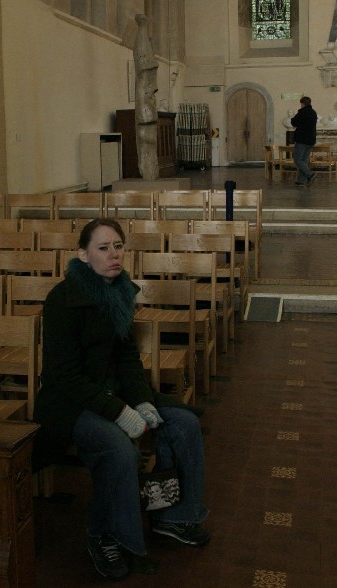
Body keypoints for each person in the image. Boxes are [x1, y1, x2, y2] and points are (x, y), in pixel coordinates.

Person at [33, 218, 210, 581]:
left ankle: (172, 517)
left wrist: (142, 402)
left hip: (117, 391)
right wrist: (119, 412)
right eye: (103, 248)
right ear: (83, 255)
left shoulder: (122, 292)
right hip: (73, 402)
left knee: (184, 423)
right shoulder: (63, 300)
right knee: (119, 450)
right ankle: (104, 535)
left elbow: (127, 358)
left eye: (118, 246)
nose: (113, 255)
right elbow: (65, 376)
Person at [290, 95, 318, 187]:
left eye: (301, 104)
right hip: (311, 140)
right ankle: (300, 181)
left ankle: (310, 174)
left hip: (302, 140)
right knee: (304, 161)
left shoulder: (302, 112)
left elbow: (294, 122)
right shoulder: (313, 112)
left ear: (302, 103)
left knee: (297, 160)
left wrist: (293, 118)